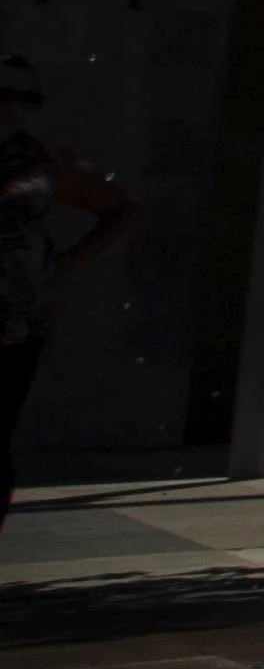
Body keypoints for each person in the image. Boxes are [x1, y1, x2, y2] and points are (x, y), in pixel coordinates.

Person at [0, 55, 141, 527]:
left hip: (12, 328)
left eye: (29, 98)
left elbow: (120, 209)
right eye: (6, 94)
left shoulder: (43, 161)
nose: (17, 107)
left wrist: (59, 267)